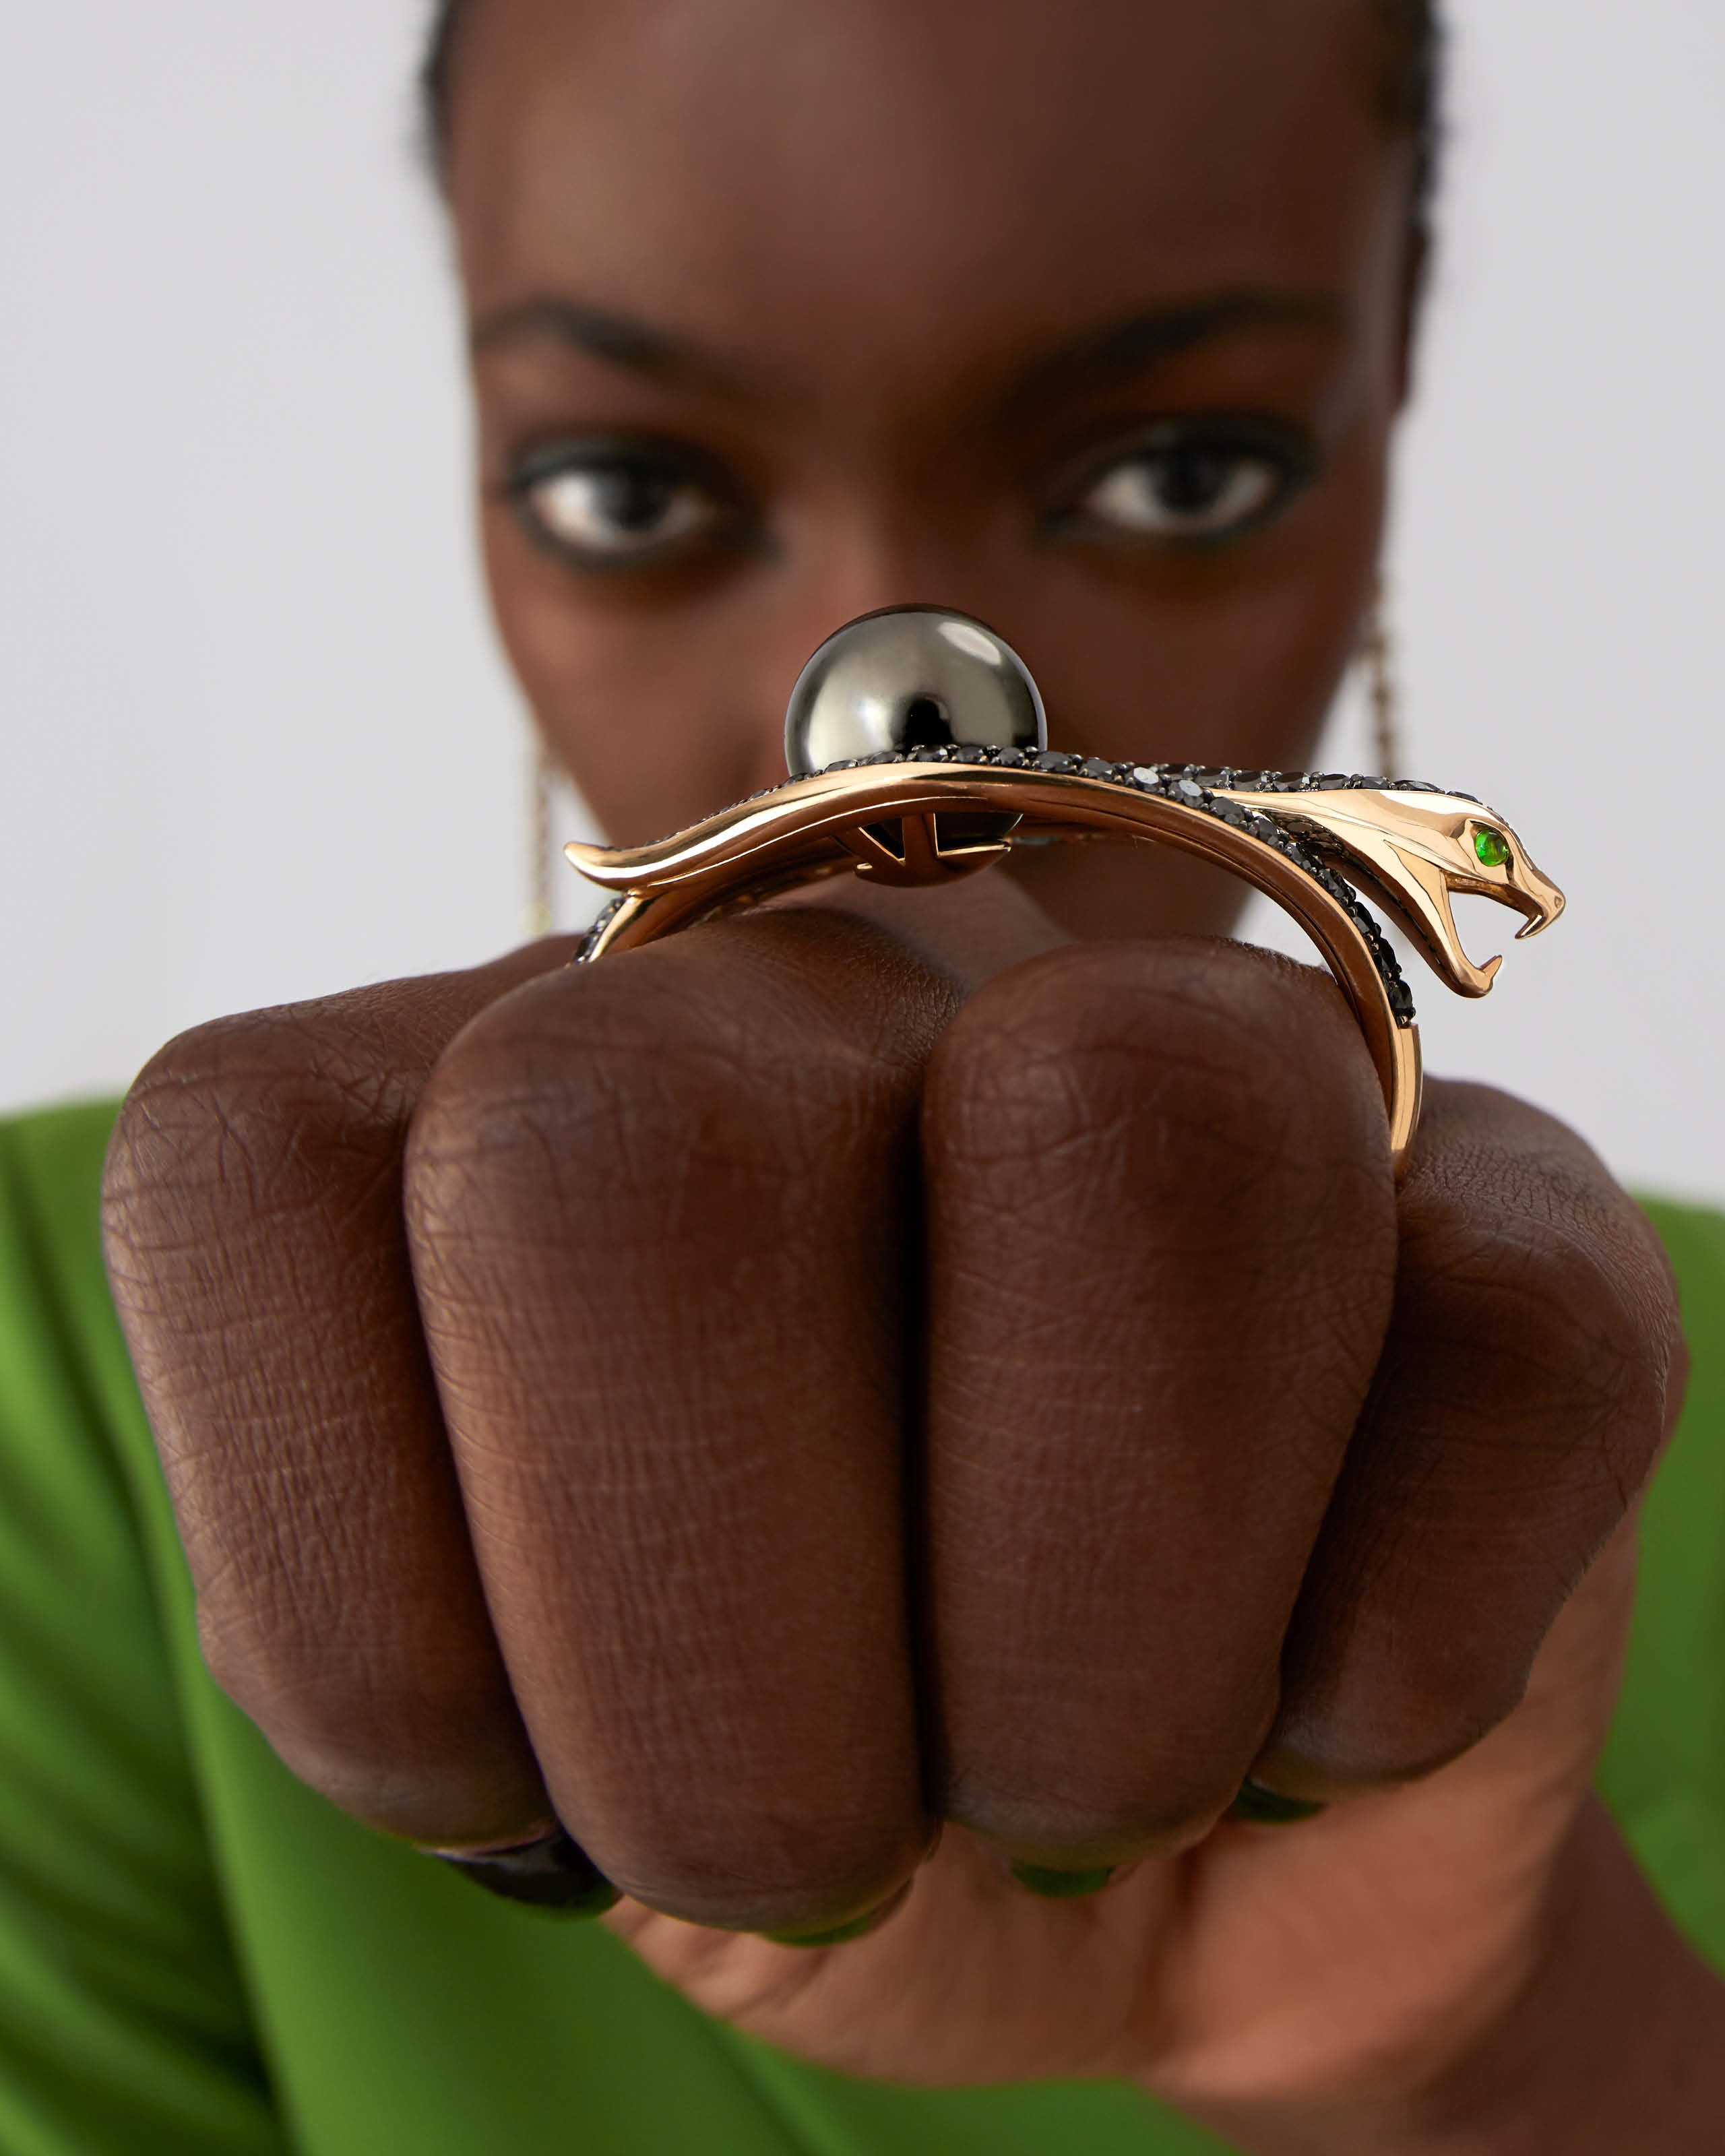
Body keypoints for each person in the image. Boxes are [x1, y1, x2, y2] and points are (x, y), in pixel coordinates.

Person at [2, 0, 1721, 2149]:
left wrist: (1501, 2053)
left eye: (1182, 475)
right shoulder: (63, 1390)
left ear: (1392, 388)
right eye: (631, 491)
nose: (897, 731)